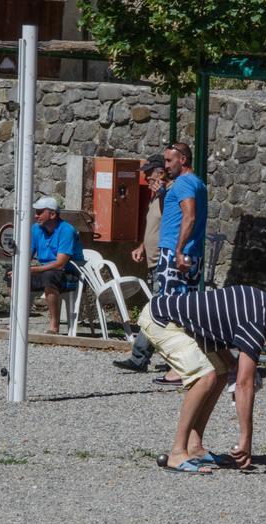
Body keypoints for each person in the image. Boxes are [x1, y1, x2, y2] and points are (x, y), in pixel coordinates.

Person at [140, 283, 266, 473]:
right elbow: (244, 384)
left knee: (221, 372)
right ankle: (177, 453)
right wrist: (246, 440)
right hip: (161, 318)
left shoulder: (261, 302)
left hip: (181, 322)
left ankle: (194, 446)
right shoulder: (258, 320)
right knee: (205, 377)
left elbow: (218, 325)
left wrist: (231, 364)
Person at [113, 142, 207, 385]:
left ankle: (178, 367)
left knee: (167, 307)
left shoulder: (185, 182)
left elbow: (190, 215)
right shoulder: (195, 183)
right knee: (181, 308)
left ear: (183, 160)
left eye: (169, 161)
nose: (165, 166)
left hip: (175, 254)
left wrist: (177, 250)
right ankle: (184, 363)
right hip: (187, 252)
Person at [112, 154, 167, 372]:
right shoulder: (155, 198)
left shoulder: (165, 196)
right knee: (163, 311)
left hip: (164, 263)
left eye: (148, 173)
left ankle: (139, 356)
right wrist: (143, 247)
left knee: (154, 310)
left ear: (160, 173)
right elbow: (155, 228)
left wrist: (162, 191)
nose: (145, 177)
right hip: (154, 263)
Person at [8, 196, 84, 335]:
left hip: (69, 274)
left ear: (52, 214)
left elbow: (60, 263)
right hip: (47, 270)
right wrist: (19, 265)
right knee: (13, 276)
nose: (36, 216)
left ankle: (54, 325)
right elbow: (27, 256)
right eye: (36, 212)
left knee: (49, 276)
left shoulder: (67, 230)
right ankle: (17, 320)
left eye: (39, 212)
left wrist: (31, 269)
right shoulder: (36, 229)